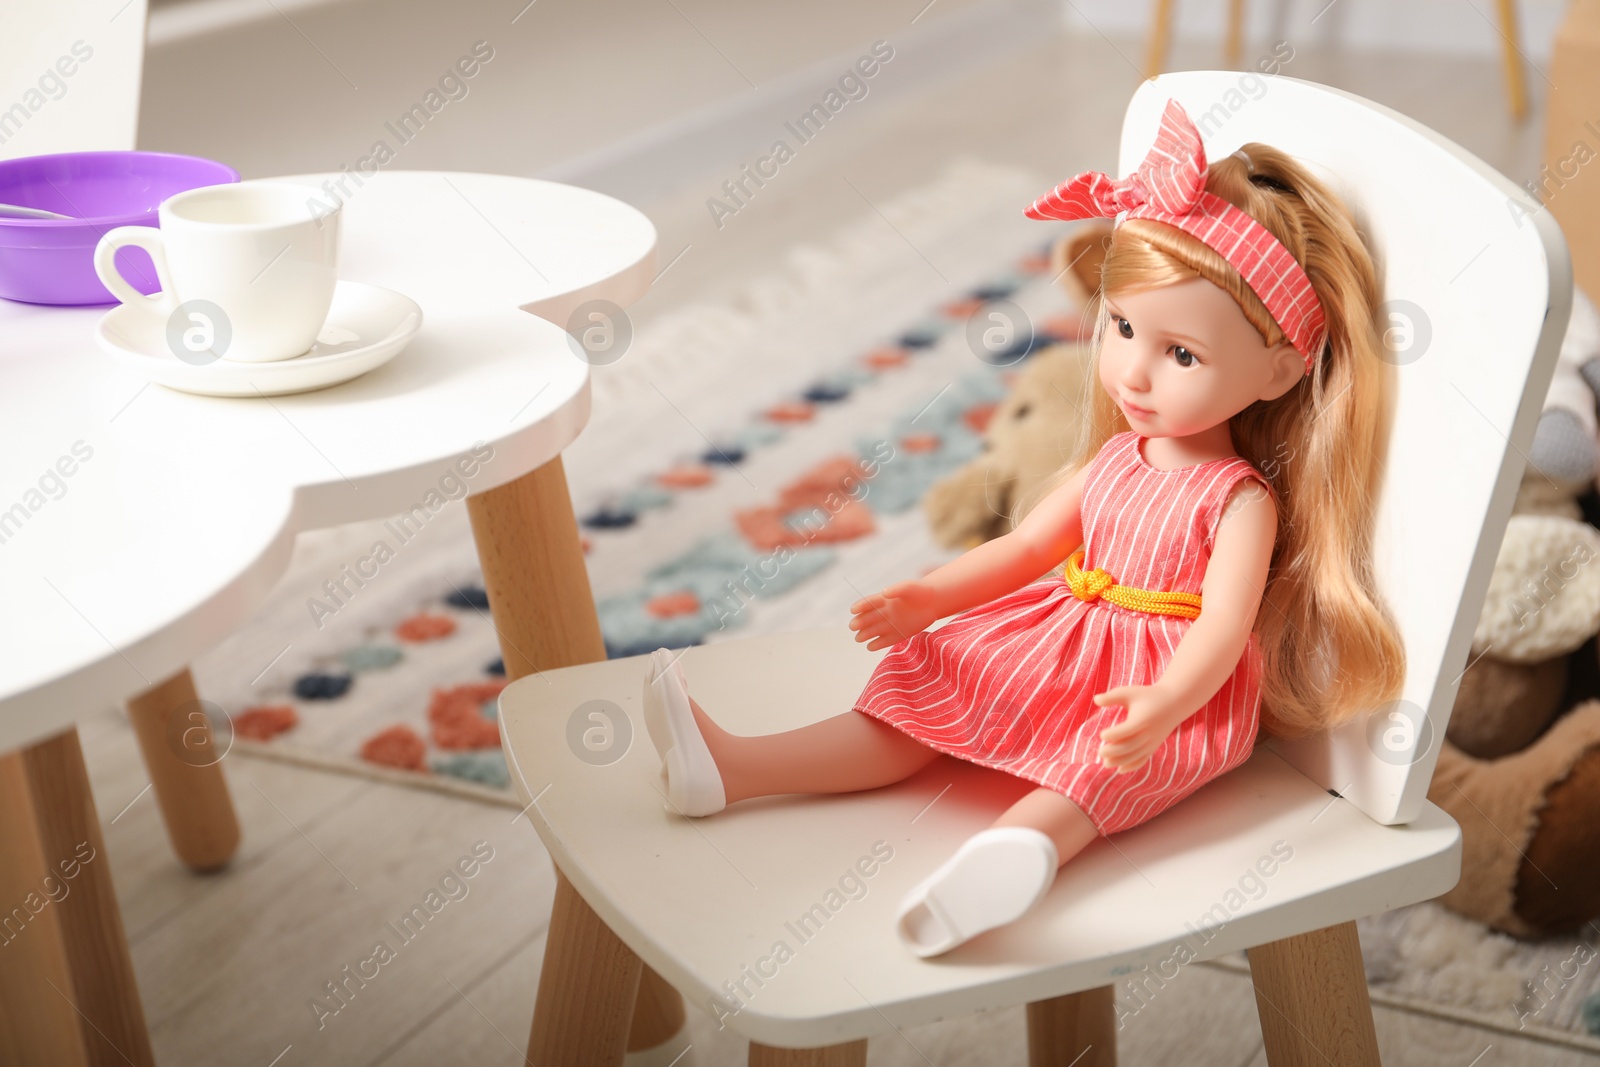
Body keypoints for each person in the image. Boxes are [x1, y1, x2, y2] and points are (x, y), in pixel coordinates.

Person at [643, 99, 1405, 957]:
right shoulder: (1118, 458)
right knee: (931, 681)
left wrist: (1167, 700)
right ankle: (737, 767)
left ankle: (1024, 850)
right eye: (1121, 328)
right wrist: (928, 596)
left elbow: (1225, 626)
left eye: (1180, 354)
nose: (1133, 371)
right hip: (1061, 634)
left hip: (1160, 680)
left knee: (1103, 764)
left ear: (1277, 372)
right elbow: (1030, 547)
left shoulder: (1239, 500)